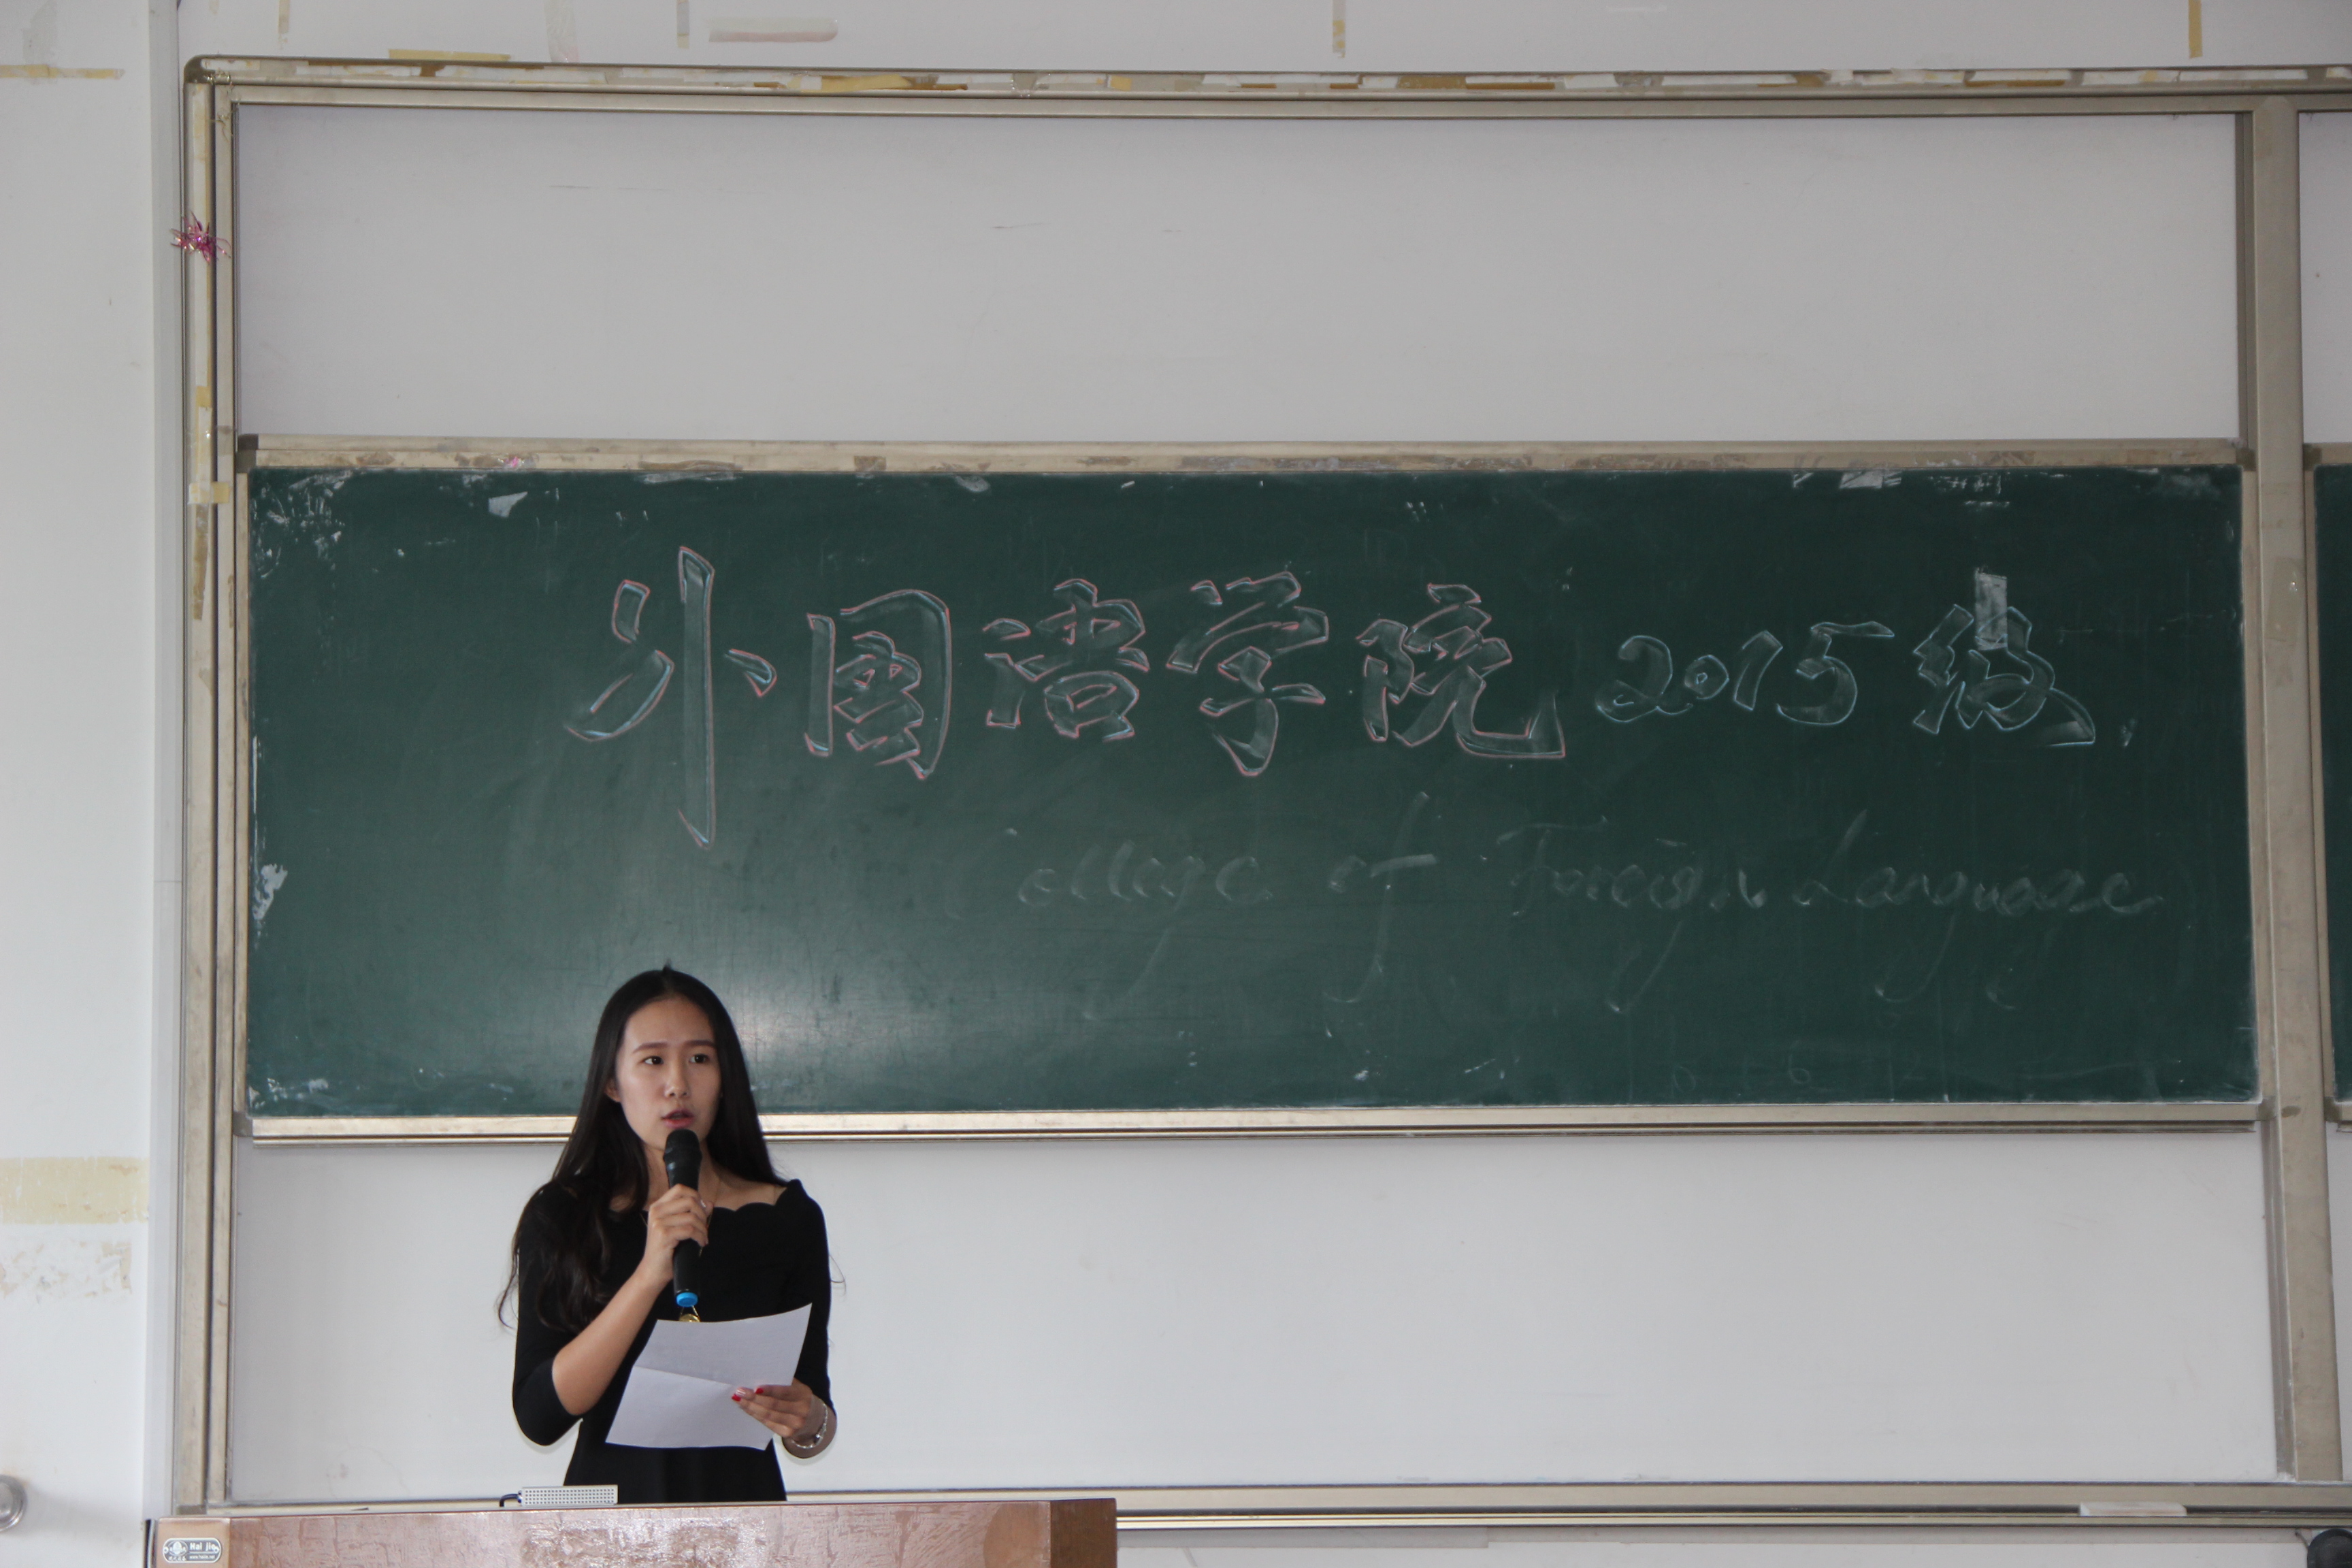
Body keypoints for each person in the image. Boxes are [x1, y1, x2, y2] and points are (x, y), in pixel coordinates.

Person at [504, 966, 834, 1502]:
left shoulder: (786, 1218)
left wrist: (809, 1420)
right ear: (612, 1082)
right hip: (607, 1524)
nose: (678, 1083)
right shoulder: (565, 1216)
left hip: (746, 1520)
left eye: (700, 1059)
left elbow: (811, 1405)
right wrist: (649, 1272)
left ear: (725, 1076)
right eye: (653, 1060)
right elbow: (540, 1417)